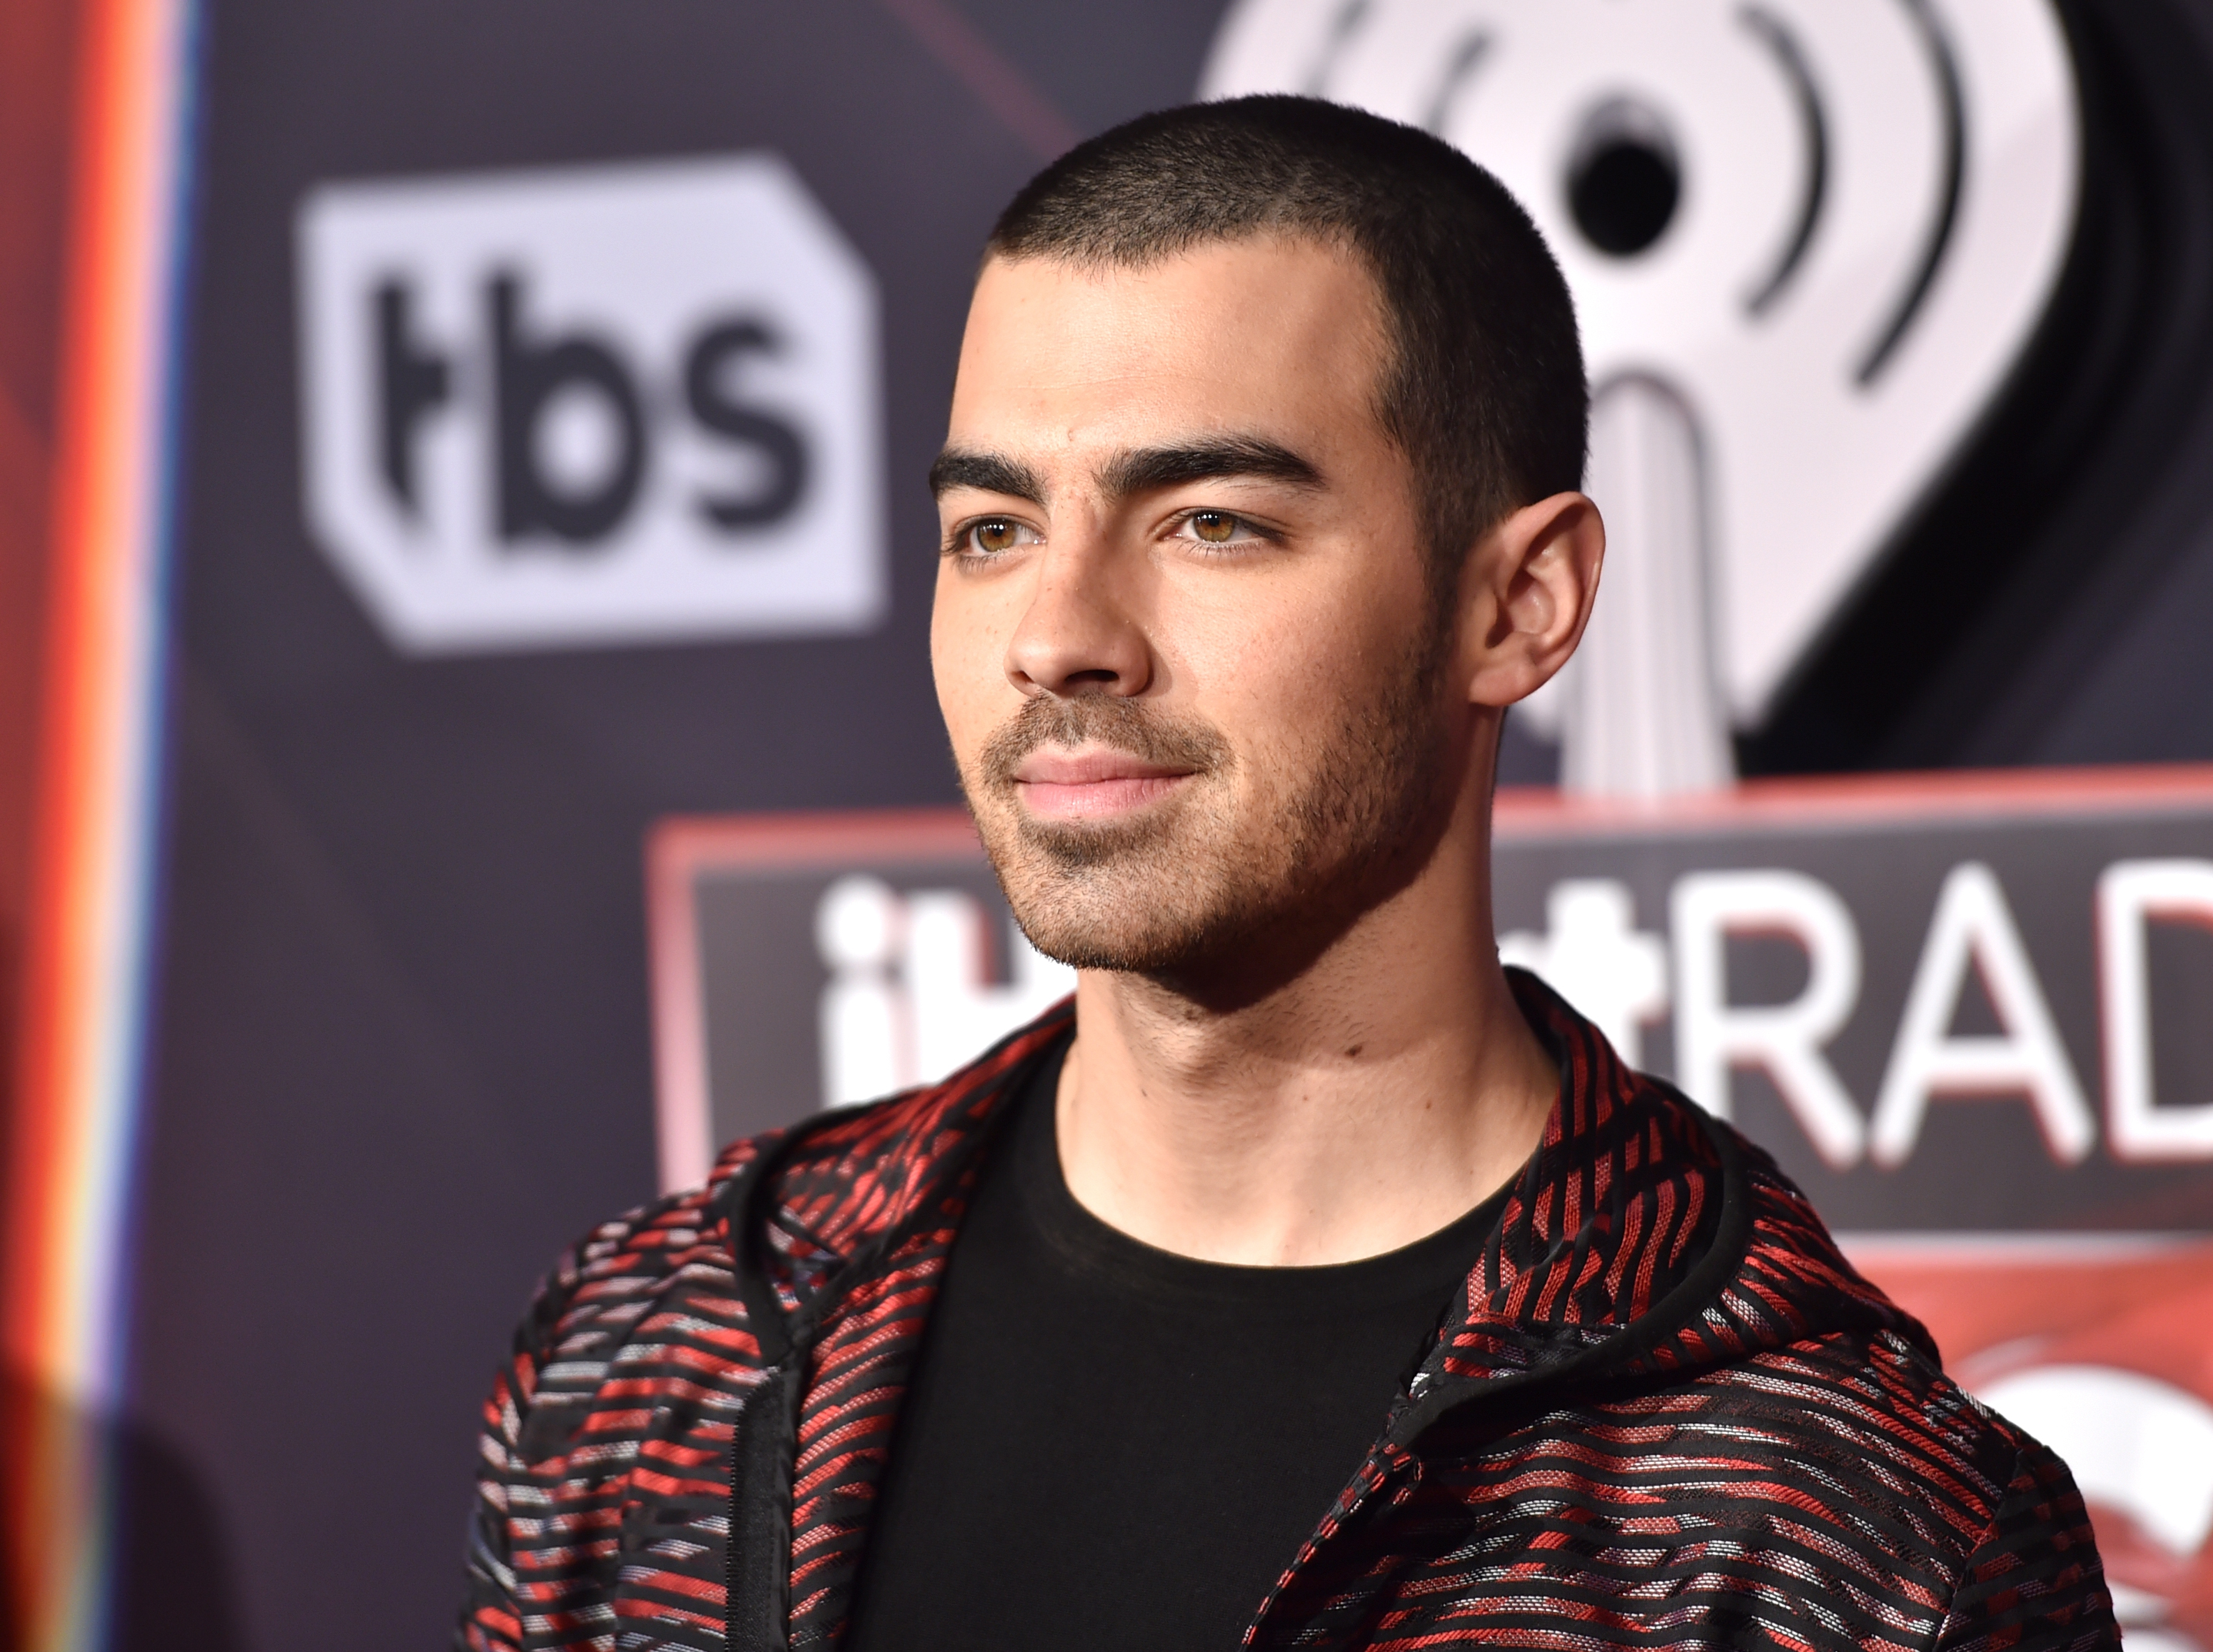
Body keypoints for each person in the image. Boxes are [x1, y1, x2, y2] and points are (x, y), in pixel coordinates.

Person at [459, 95, 2115, 1652]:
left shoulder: (1835, 1526)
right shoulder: (666, 1346)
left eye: (1211, 523)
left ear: (1518, 604)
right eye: (993, 530)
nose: (1058, 637)